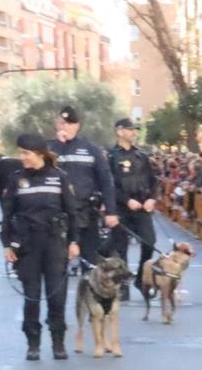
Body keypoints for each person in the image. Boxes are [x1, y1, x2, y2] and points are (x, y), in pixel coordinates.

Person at [2, 133, 84, 361]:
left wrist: (74, 241)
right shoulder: (16, 179)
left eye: (26, 153)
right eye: (21, 153)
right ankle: (33, 342)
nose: (23, 158)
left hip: (55, 242)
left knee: (56, 297)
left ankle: (58, 341)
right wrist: (7, 244)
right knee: (32, 296)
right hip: (27, 245)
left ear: (39, 153)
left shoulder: (59, 177)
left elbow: (72, 211)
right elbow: (7, 214)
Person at [50, 106, 117, 266]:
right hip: (57, 214)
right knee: (57, 265)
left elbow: (106, 181)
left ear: (77, 125)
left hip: (85, 213)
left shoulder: (91, 149)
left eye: (69, 123)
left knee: (90, 263)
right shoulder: (49, 148)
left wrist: (111, 211)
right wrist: (59, 145)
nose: (65, 126)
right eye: (62, 123)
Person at [106, 118, 161, 282]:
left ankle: (141, 278)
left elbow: (153, 180)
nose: (133, 133)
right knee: (120, 246)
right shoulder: (111, 156)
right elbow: (109, 185)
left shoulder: (141, 155)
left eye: (134, 130)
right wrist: (126, 200)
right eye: (130, 130)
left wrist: (152, 198)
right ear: (119, 131)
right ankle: (122, 284)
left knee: (149, 241)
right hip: (122, 207)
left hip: (142, 206)